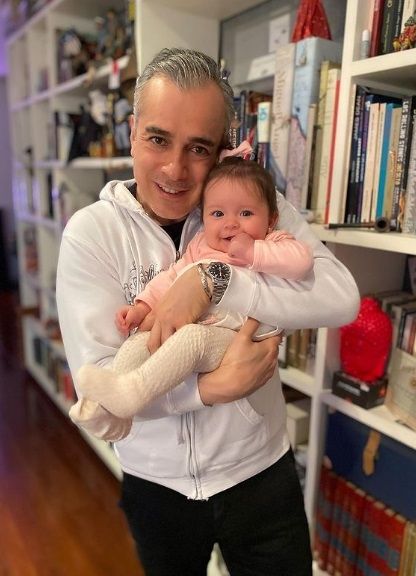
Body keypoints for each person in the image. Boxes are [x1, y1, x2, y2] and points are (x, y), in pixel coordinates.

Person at [56, 47, 359, 576]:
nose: (175, 169)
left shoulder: (248, 202)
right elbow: (100, 388)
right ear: (132, 131)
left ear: (221, 148)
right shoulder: (91, 233)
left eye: (199, 148)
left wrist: (214, 282)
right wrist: (209, 390)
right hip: (156, 484)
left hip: (260, 472)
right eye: (158, 139)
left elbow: (340, 296)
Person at [70, 156, 314, 437]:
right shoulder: (201, 245)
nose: (231, 224)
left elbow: (301, 262)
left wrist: (253, 252)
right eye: (218, 214)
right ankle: (113, 413)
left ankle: (132, 394)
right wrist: (143, 306)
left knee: (192, 338)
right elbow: (172, 277)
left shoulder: (272, 242)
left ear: (271, 219)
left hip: (235, 338)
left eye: (246, 213)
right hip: (199, 328)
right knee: (141, 340)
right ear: (204, 216)